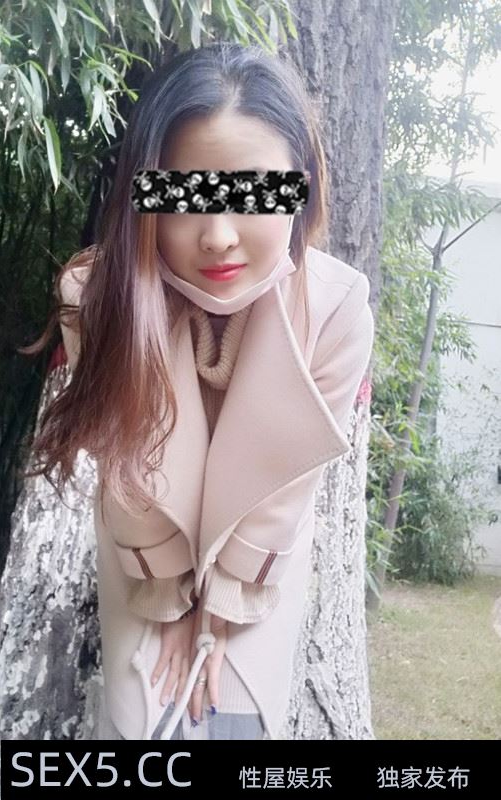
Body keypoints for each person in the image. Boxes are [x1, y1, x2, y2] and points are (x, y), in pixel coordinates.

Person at [25, 42, 375, 741]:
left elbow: (280, 494)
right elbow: (130, 473)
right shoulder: (97, 297)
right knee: (144, 718)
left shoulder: (337, 309)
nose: (217, 236)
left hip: (259, 557)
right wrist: (172, 602)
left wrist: (218, 613)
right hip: (146, 550)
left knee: (236, 721)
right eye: (185, 196)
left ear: (300, 188)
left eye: (251, 194)